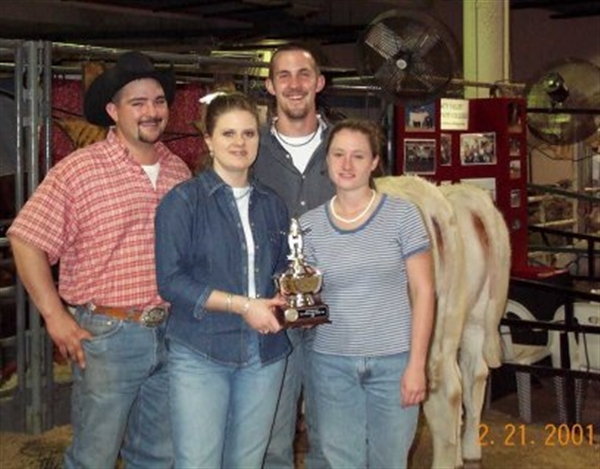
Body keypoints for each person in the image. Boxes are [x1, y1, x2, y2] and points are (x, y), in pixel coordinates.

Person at [7, 51, 191, 468]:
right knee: (95, 456)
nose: (152, 111)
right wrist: (55, 316)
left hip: (170, 329)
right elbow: (26, 238)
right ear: (113, 111)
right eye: (138, 102)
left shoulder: (179, 170)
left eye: (158, 101)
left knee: (159, 455)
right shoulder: (78, 171)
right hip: (108, 334)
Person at [154, 92, 291, 468]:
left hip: (264, 352)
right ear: (208, 140)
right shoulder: (182, 202)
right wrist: (243, 305)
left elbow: (282, 270)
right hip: (201, 351)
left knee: (247, 463)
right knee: (198, 462)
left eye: (248, 134)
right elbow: (171, 282)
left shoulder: (272, 204)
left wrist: (286, 295)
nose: (239, 143)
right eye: (228, 133)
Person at [299, 119, 435, 469]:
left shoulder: (403, 215)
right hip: (331, 364)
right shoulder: (308, 227)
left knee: (390, 461)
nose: (347, 165)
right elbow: (309, 299)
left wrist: (416, 365)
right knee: (341, 461)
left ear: (375, 162)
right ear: (326, 160)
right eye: (338, 154)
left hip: (394, 363)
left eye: (358, 156)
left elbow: (424, 292)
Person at [252, 42, 335, 469]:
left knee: (332, 438)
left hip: (336, 320)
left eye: (304, 74)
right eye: (283, 75)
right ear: (270, 85)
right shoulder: (249, 150)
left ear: (319, 82)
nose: (294, 84)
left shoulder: (348, 146)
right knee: (270, 438)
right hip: (271, 318)